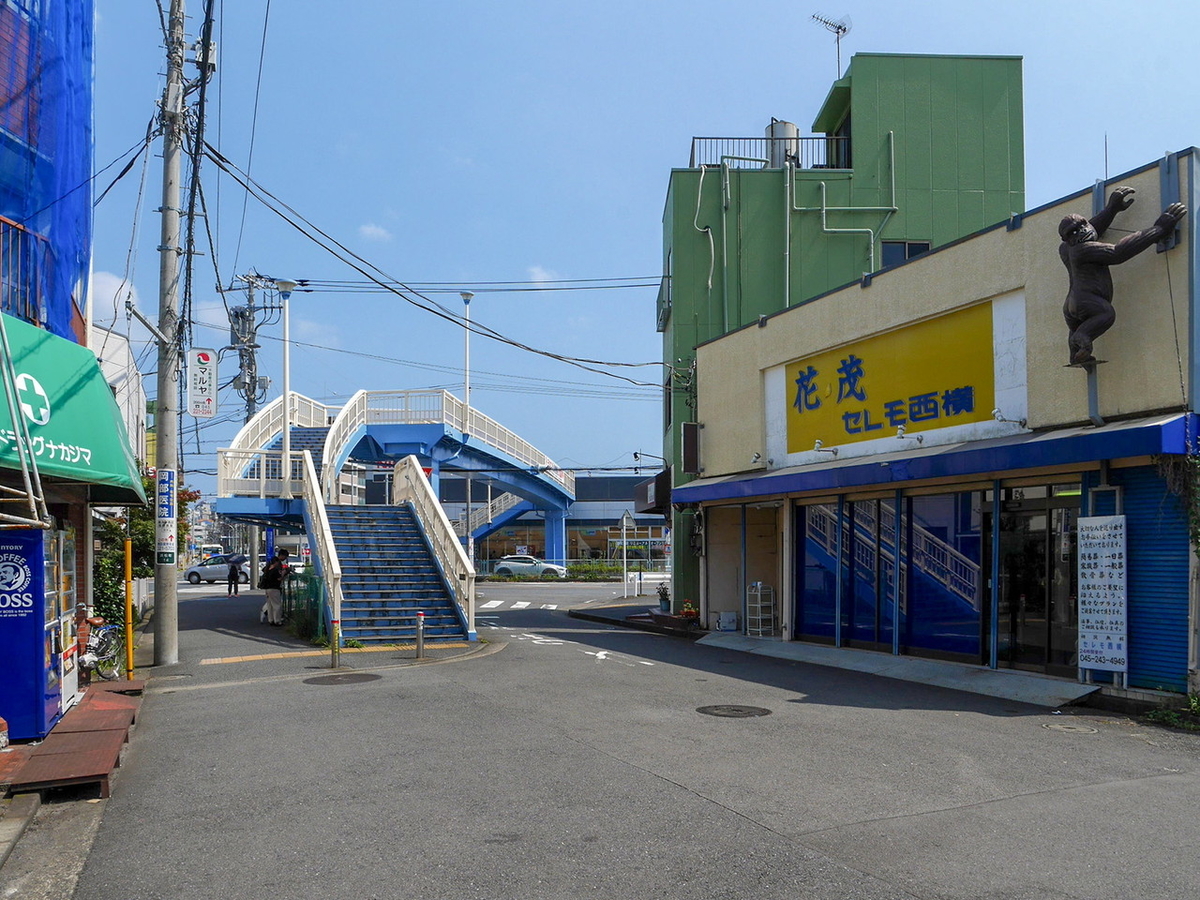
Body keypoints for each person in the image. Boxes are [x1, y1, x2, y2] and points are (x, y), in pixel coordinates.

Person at [1059, 186, 1187, 366]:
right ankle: (1083, 337)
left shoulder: (1065, 249)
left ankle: (1076, 355)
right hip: (1088, 300)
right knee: (1105, 314)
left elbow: (1092, 228)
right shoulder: (1084, 249)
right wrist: (1158, 229)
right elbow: (1118, 252)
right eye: (1073, 232)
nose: (1080, 231)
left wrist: (1111, 209)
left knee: (1076, 328)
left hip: (1071, 304)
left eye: (1082, 226)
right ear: (1067, 238)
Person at [259, 548, 290, 626]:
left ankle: (271, 620)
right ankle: (277, 621)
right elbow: (279, 578)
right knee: (277, 605)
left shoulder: (268, 568)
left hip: (267, 588)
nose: (285, 559)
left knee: (270, 605)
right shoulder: (275, 570)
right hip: (274, 588)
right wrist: (283, 573)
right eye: (285, 557)